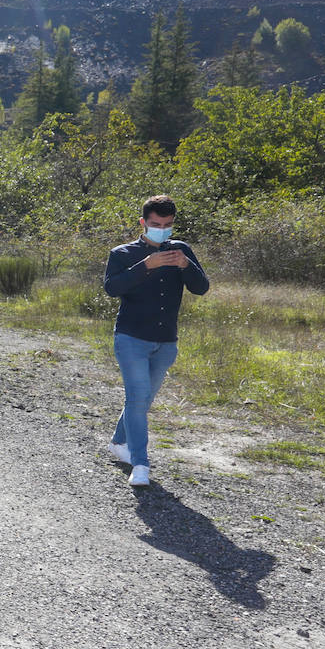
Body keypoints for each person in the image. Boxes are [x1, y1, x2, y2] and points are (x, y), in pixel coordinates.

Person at [103, 194, 210, 488]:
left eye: (167, 224)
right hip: (130, 338)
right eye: (155, 224)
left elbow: (201, 288)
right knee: (137, 399)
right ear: (143, 223)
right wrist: (146, 265)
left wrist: (186, 265)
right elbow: (112, 288)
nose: (161, 229)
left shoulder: (180, 250)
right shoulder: (122, 253)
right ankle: (140, 464)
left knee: (143, 400)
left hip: (165, 342)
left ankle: (118, 444)